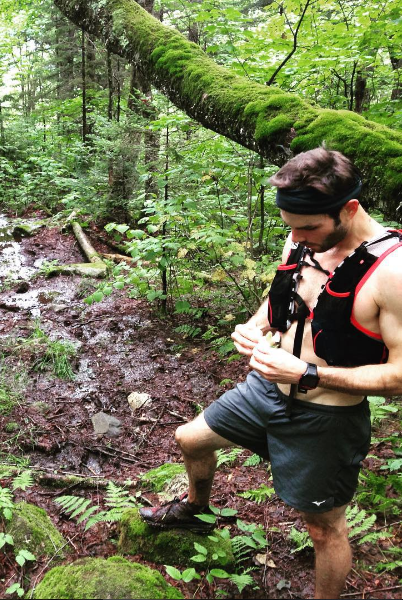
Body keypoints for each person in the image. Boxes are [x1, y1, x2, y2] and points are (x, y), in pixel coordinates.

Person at [139, 146, 402, 599]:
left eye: (307, 227)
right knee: (191, 438)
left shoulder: (392, 271)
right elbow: (284, 301)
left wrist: (309, 373)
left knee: (324, 528)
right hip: (264, 391)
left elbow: (399, 376)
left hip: (326, 419)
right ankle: (196, 509)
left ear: (350, 208)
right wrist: (254, 326)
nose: (297, 238)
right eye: (291, 227)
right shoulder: (303, 239)